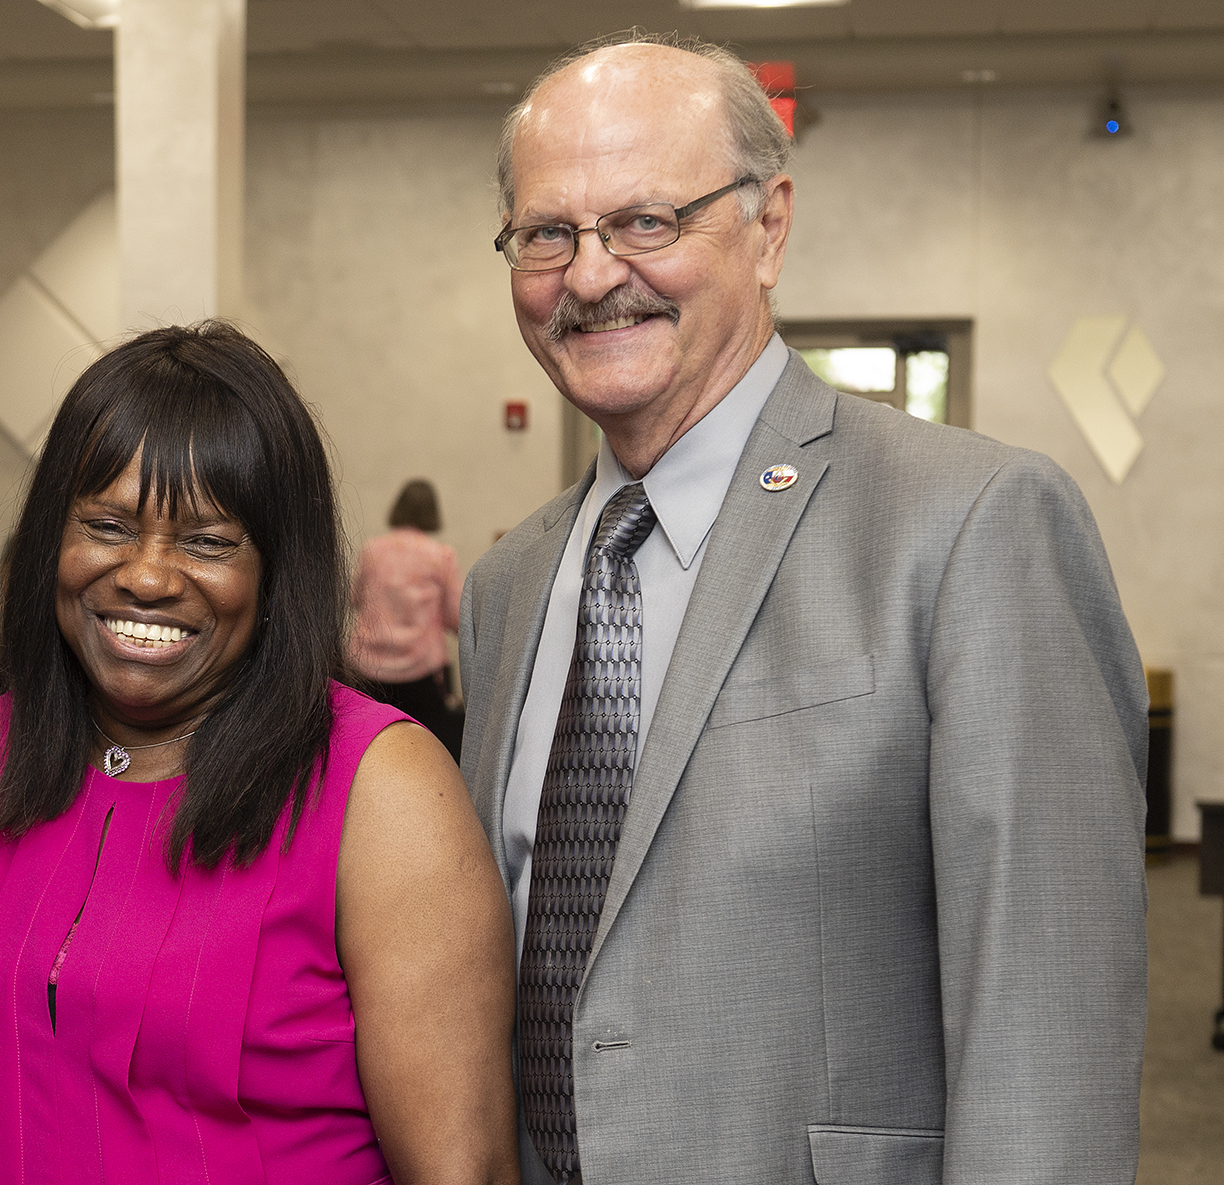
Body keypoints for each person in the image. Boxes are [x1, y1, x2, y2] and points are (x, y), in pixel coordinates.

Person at [463, 32, 1148, 1185]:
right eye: (546, 235)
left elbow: (1046, 1026)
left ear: (767, 226)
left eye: (644, 221)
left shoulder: (969, 525)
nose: (587, 277)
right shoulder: (505, 588)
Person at [0, 323, 519, 1185]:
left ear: (278, 569)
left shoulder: (380, 790)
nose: (146, 575)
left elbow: (461, 1170)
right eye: (106, 525)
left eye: (207, 540)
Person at [349, 478, 464, 759]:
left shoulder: (372, 550)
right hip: (423, 671)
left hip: (369, 670)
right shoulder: (440, 555)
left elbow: (354, 599)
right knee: (427, 754)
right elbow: (456, 617)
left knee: (370, 751)